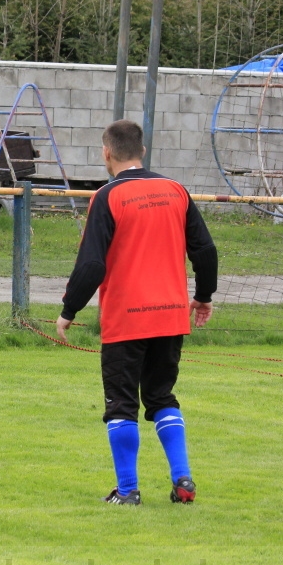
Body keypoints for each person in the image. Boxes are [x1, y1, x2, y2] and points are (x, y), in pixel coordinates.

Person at [56, 119, 218, 506]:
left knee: (121, 404)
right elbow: (205, 250)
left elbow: (92, 264)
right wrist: (204, 295)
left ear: (106, 153)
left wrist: (68, 310)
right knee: (162, 397)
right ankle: (183, 480)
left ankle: (127, 491)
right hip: (169, 317)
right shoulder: (175, 191)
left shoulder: (107, 197)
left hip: (126, 320)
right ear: (142, 152)